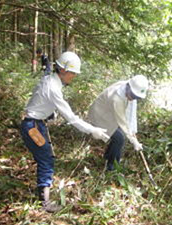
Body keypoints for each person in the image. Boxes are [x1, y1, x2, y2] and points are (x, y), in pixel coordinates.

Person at [20, 51, 109, 213]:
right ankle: (45, 203)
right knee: (46, 160)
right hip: (32, 126)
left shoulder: (50, 79)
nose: (73, 77)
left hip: (35, 123)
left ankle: (42, 192)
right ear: (62, 71)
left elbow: (47, 71)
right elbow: (72, 118)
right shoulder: (53, 88)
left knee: (46, 158)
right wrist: (92, 130)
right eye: (72, 73)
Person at [88, 75, 149, 171]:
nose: (133, 98)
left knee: (119, 136)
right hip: (99, 115)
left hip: (109, 112)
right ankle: (111, 167)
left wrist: (133, 131)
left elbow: (131, 113)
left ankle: (108, 156)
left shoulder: (129, 89)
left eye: (137, 97)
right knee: (119, 138)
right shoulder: (117, 99)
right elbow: (123, 123)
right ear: (128, 87)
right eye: (133, 96)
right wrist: (134, 141)